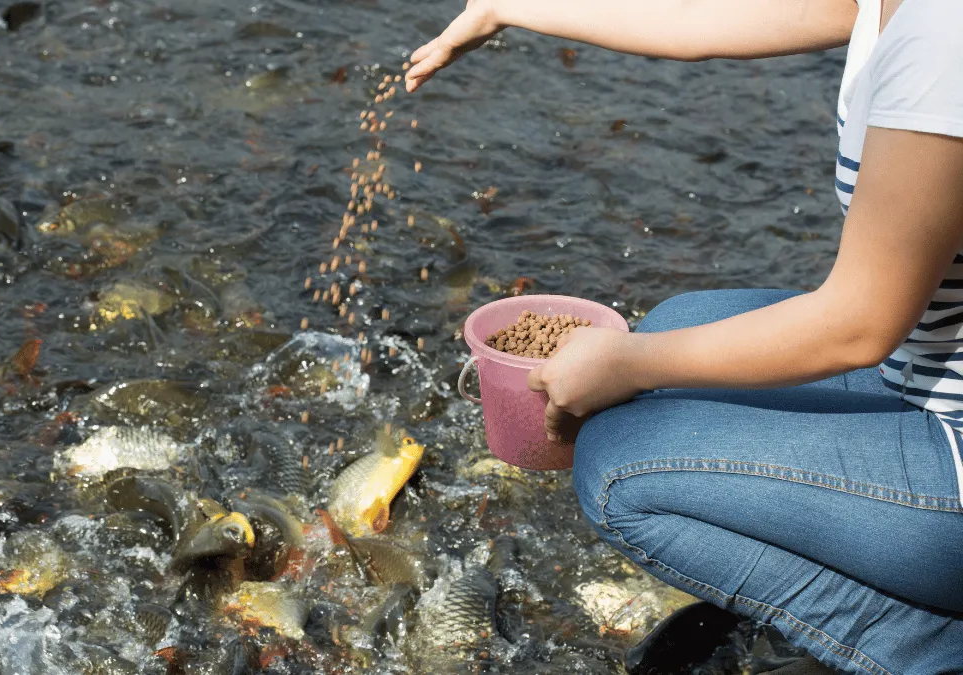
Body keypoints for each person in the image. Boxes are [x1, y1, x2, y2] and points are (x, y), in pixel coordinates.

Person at [407, 1, 963, 674]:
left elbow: (859, 325)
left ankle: (922, 646)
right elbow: (707, 20)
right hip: (926, 373)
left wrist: (632, 362)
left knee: (618, 468)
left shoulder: (945, 35)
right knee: (679, 324)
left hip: (950, 439)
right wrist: (508, 7)